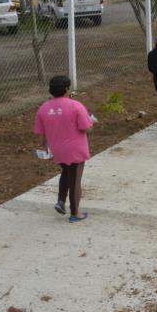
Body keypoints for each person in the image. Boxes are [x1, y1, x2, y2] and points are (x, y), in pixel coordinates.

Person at [34, 75, 93, 223]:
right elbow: (86, 128)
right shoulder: (76, 106)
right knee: (75, 180)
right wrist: (91, 121)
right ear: (67, 88)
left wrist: (43, 146)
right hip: (75, 150)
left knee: (66, 173)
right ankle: (75, 213)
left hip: (57, 149)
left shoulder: (43, 108)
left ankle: (61, 201)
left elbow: (41, 133)